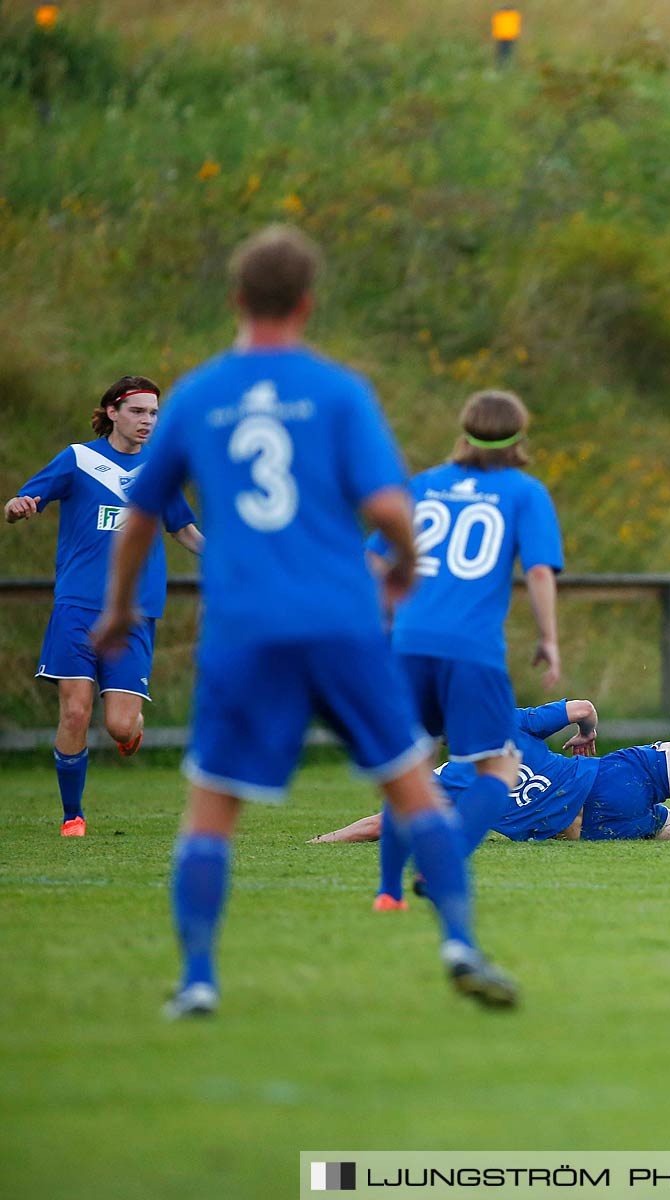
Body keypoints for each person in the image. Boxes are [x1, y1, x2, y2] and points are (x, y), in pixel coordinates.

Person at [91, 224, 516, 1017]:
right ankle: (459, 941)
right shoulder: (337, 391)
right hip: (339, 622)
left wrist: (117, 611)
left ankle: (198, 980)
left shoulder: (200, 395)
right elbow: (391, 510)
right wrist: (402, 576)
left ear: (236, 299)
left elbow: (143, 514)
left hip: (247, 628)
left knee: (212, 806)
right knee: (415, 787)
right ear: (308, 302)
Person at [309, 700, 670, 879]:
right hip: (610, 777)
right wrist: (587, 736)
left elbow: (383, 824)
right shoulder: (509, 720)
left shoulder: (444, 784)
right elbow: (583, 707)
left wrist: (323, 840)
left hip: (589, 831)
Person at [367, 389, 563, 913]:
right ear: (520, 436)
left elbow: (373, 561)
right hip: (472, 652)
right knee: (498, 767)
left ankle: (388, 892)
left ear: (464, 428)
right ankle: (444, 861)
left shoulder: (424, 485)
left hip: (407, 645)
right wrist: (549, 639)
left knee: (411, 770)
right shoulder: (524, 491)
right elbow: (540, 570)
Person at [7, 377, 203, 835]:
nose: (147, 422)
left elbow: (184, 530)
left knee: (118, 725)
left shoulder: (159, 471)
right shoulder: (78, 459)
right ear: (113, 412)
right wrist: (19, 506)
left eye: (154, 414)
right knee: (75, 709)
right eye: (138, 412)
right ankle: (72, 814)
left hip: (134, 610)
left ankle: (130, 730)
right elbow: (23, 499)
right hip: (77, 604)